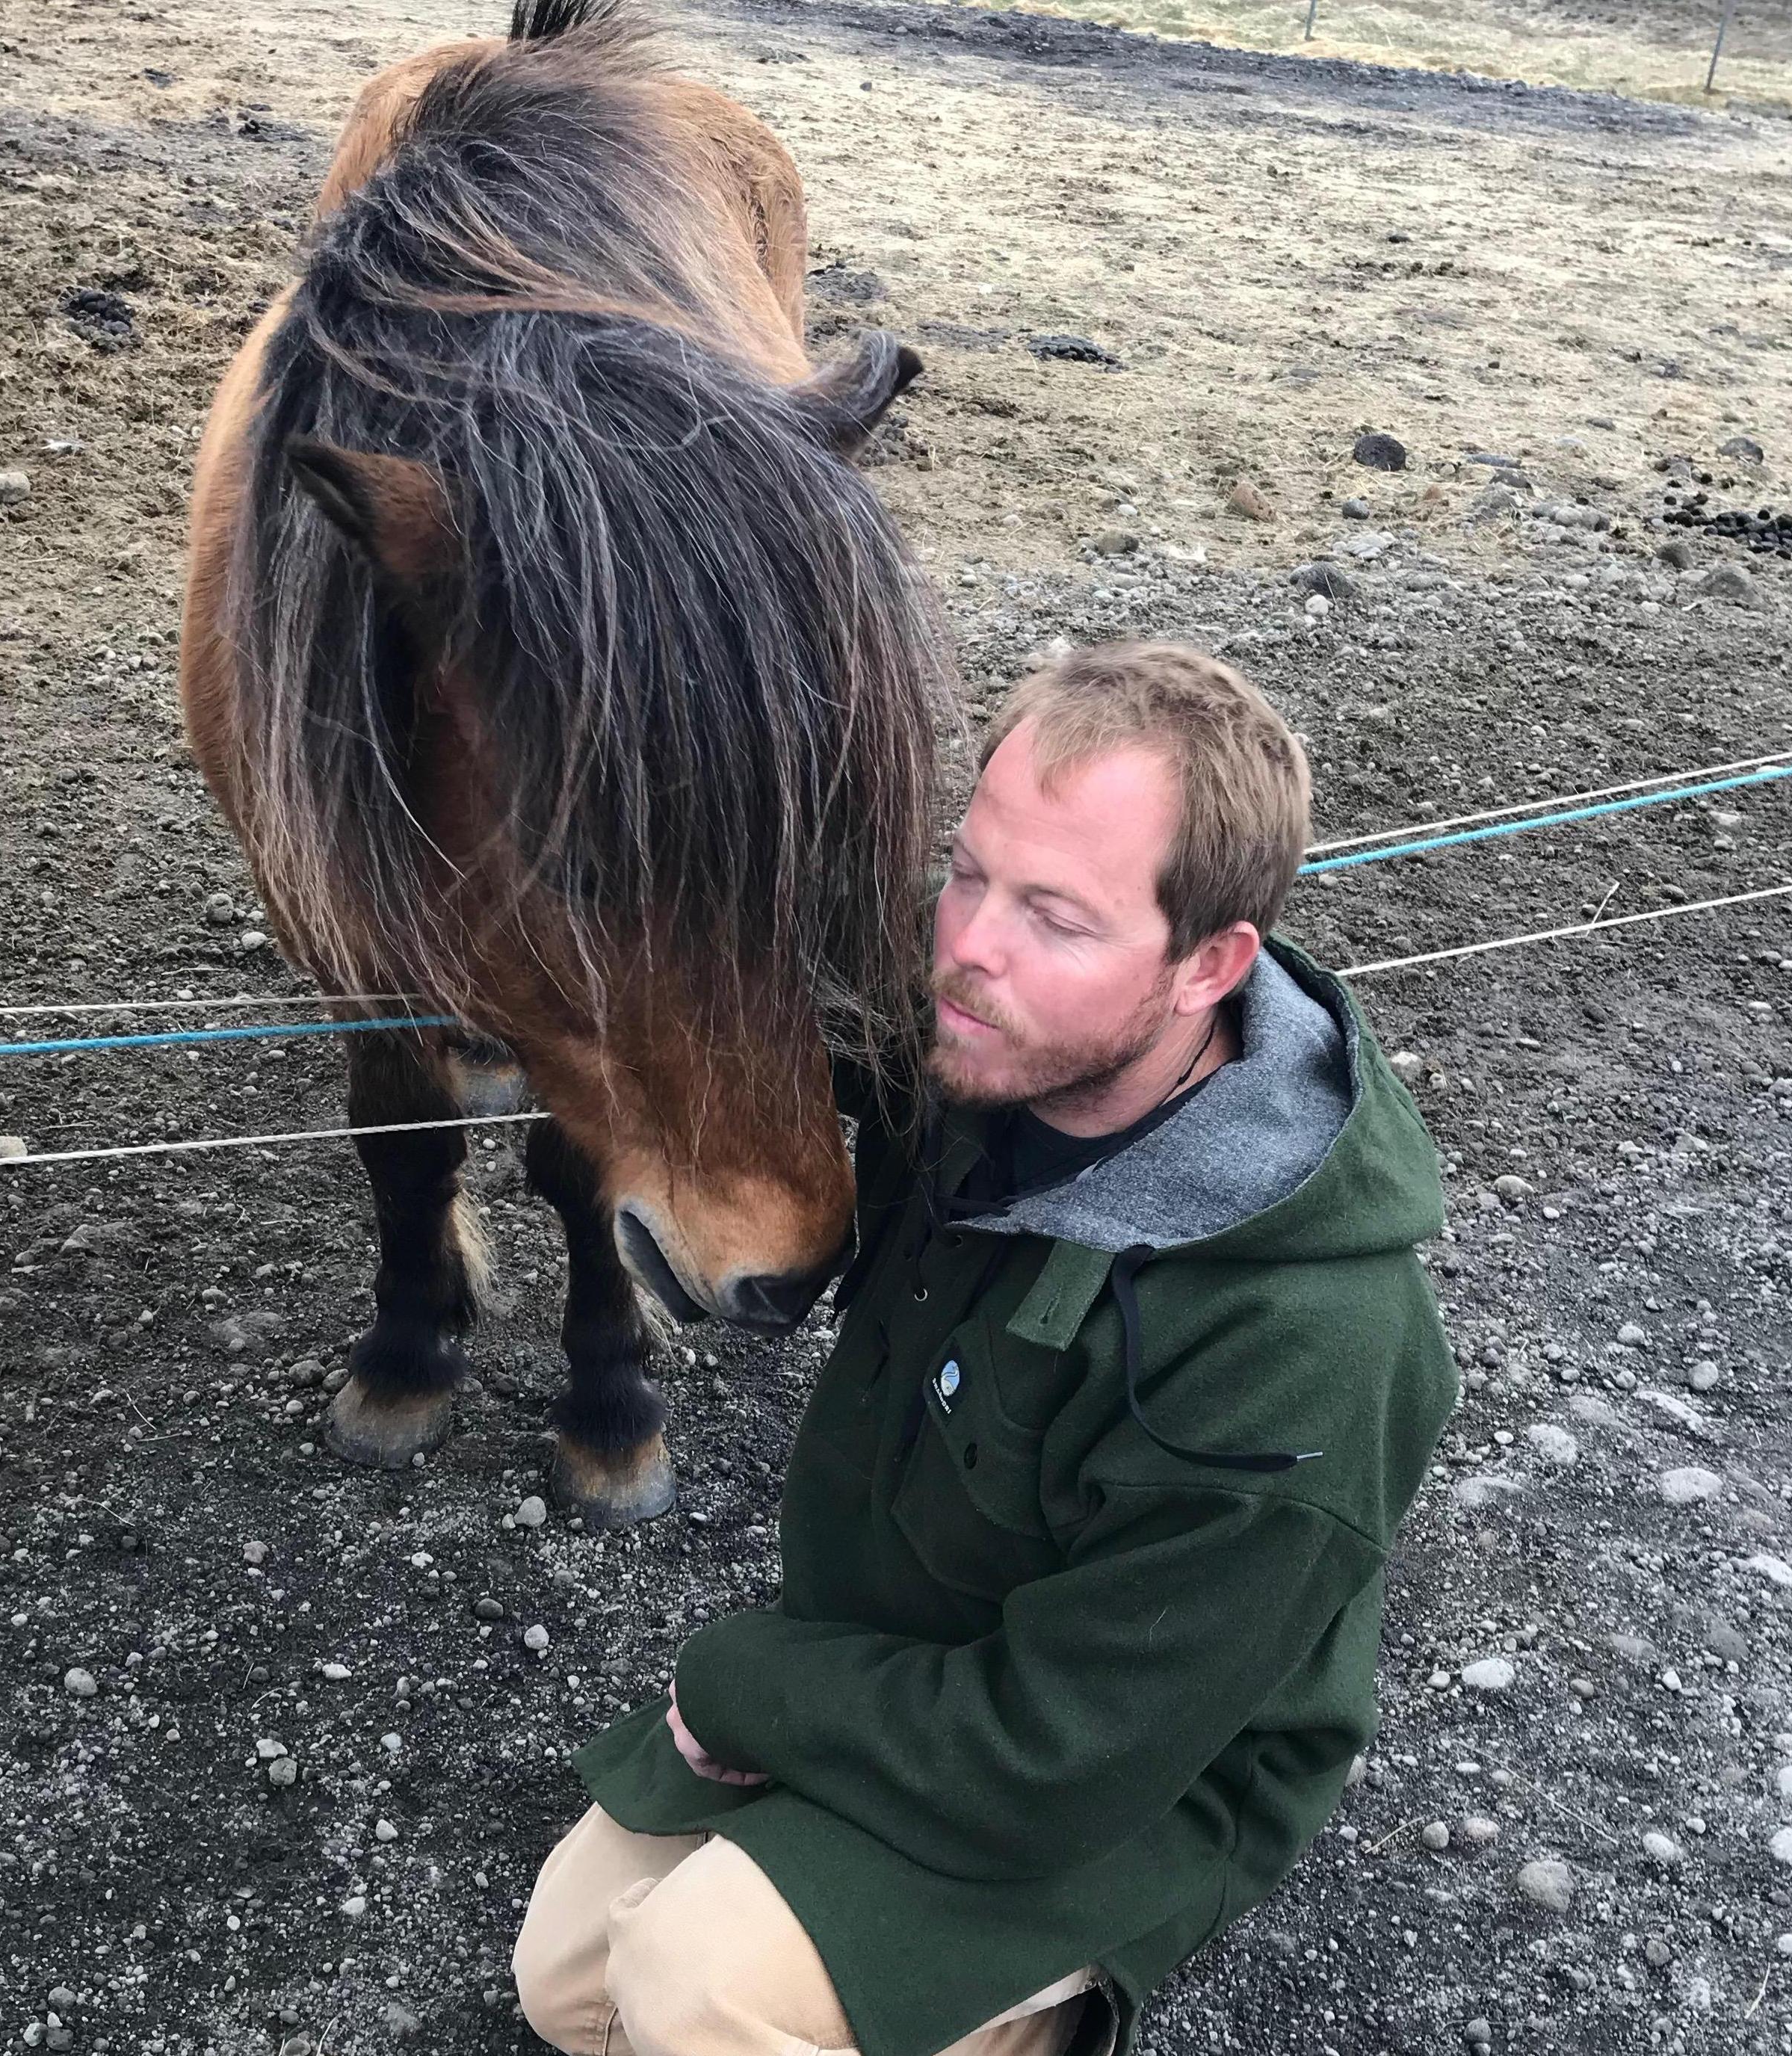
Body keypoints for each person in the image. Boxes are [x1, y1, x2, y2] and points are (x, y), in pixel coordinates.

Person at [513, 641, 1458, 2056]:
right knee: (570, 1976)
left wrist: (743, 1688)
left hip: (1110, 1776)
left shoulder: (1307, 1350)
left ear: (1209, 963)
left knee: (693, 1988)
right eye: (970, 873)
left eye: (1057, 917)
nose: (967, 950)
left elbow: (1055, 1760)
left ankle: (1046, 2009)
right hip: (898, 1656)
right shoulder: (983, 1039)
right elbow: (720, 980)